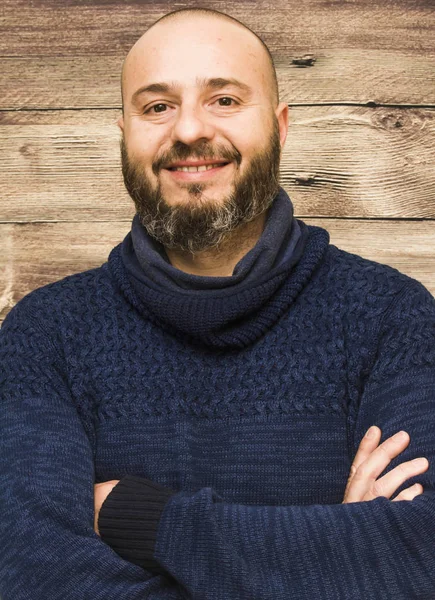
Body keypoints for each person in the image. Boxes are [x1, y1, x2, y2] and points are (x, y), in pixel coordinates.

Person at [0, 7, 434, 599]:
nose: (188, 131)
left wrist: (145, 519)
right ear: (125, 134)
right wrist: (338, 557)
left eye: (224, 100)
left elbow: (421, 557)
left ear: (281, 126)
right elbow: (33, 577)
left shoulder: (394, 318)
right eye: (157, 106)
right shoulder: (44, 336)